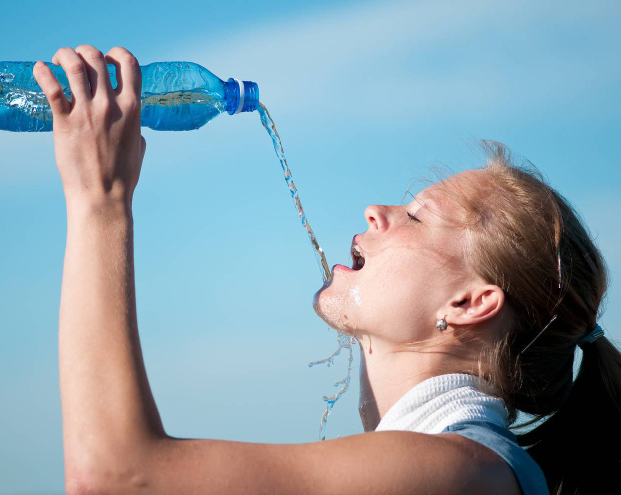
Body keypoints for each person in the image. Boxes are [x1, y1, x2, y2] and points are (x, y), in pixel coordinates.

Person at [32, 45, 621, 495]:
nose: (378, 210)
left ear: (469, 304)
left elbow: (116, 476)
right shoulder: (454, 464)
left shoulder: (463, 471)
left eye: (418, 215)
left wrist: (99, 199)